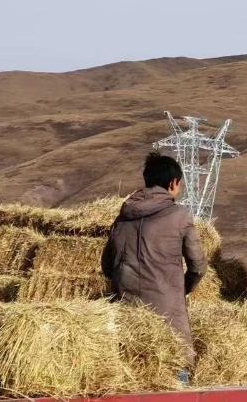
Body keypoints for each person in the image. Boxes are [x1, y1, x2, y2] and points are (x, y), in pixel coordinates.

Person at [101, 152, 207, 384]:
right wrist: (183, 289)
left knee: (133, 375)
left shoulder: (122, 219)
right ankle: (181, 387)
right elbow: (198, 266)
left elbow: (107, 266)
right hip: (168, 312)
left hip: (127, 312)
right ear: (173, 183)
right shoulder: (180, 216)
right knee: (178, 369)